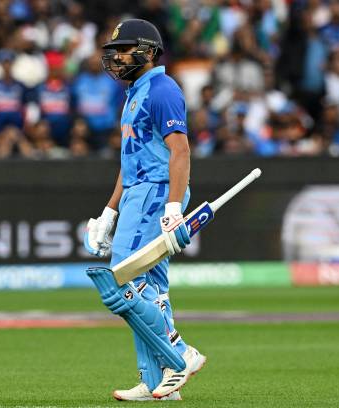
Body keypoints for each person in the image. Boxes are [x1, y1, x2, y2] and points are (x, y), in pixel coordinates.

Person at [83, 19, 206, 402]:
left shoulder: (163, 89)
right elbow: (130, 159)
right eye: (115, 50)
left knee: (123, 281)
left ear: (150, 51)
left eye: (125, 49)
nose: (117, 57)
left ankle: (180, 352)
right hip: (139, 192)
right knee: (152, 289)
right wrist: (109, 211)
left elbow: (180, 149)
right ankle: (156, 382)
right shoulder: (134, 92)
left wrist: (172, 204)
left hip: (155, 193)